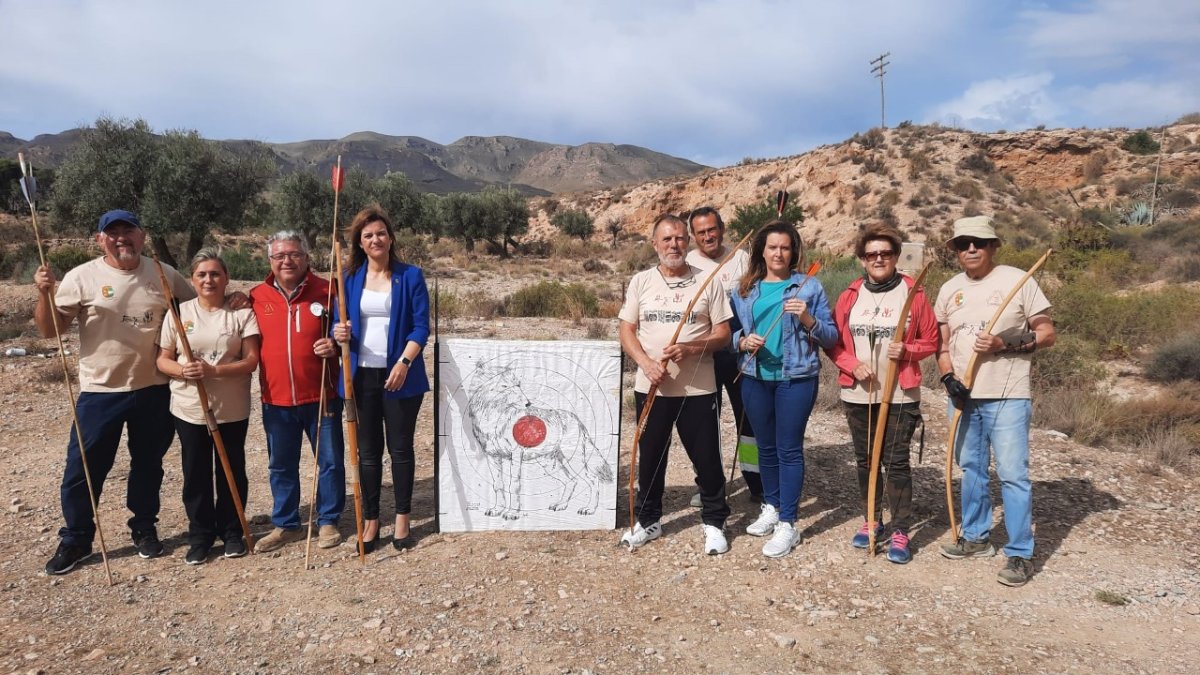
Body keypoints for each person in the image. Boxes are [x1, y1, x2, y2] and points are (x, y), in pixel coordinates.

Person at [34, 210, 195, 575]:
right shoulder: (82, 277)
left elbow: (192, 311)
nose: (121, 237)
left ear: (142, 236)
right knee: (83, 471)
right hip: (100, 391)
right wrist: (44, 294)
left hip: (154, 388)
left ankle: (144, 528)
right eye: (113, 232)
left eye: (129, 230)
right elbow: (49, 330)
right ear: (100, 239)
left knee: (148, 466)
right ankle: (76, 539)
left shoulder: (164, 274)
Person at [935, 215, 1055, 587]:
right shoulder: (948, 289)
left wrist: (1006, 345)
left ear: (993, 246)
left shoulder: (1017, 280)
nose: (971, 249)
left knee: (1012, 474)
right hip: (963, 396)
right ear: (955, 249)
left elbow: (1047, 333)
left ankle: (1020, 553)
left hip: (1007, 394)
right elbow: (942, 346)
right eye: (963, 243)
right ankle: (976, 538)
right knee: (971, 468)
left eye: (979, 242)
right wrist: (947, 377)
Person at [618, 214, 733, 554]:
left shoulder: (707, 281)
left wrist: (692, 347)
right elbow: (627, 329)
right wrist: (646, 363)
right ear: (655, 244)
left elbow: (723, 334)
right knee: (651, 456)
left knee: (707, 458)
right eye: (667, 239)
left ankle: (714, 521)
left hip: (698, 389)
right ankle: (648, 520)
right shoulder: (641, 282)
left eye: (681, 238)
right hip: (651, 386)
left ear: (689, 242)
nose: (674, 245)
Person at [826, 224, 937, 564]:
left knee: (896, 461)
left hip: (899, 393)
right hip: (860, 393)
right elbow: (836, 343)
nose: (878, 259)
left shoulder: (913, 292)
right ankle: (872, 519)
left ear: (895, 257)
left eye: (885, 253)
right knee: (865, 461)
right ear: (862, 259)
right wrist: (851, 365)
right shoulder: (850, 295)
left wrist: (907, 349)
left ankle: (901, 528)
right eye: (871, 254)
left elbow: (931, 340)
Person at [730, 221, 838, 558]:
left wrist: (808, 319)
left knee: (788, 449)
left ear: (794, 252)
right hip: (755, 377)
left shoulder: (808, 287)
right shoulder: (744, 289)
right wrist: (743, 341)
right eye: (772, 246)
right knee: (765, 447)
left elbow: (831, 336)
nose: (778, 253)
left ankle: (788, 524)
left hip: (796, 379)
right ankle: (772, 507)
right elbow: (731, 332)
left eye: (785, 247)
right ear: (761, 249)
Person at [332, 205, 430, 552]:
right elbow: (336, 323)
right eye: (368, 235)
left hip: (401, 376)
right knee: (368, 451)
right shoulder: (347, 279)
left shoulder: (411, 276)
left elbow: (421, 326)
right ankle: (372, 518)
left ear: (391, 238)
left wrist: (404, 362)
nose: (376, 239)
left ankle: (402, 517)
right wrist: (337, 331)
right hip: (360, 377)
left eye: (381, 233)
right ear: (360, 241)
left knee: (400, 449)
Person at [156, 251, 261, 564]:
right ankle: (200, 535)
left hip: (232, 407)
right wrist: (182, 370)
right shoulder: (178, 313)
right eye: (202, 274)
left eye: (215, 274)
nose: (208, 280)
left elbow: (251, 361)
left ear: (226, 278)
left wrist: (214, 371)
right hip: (189, 408)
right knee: (196, 472)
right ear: (193, 279)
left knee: (231, 470)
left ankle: (232, 531)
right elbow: (162, 359)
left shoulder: (241, 312)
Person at [250, 232, 346, 553]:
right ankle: (286, 524)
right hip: (276, 400)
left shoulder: (329, 291)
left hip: (322, 395)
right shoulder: (255, 296)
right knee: (281, 465)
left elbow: (349, 333)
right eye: (279, 256)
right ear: (270, 262)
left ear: (306, 258)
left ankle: (329, 519)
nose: (287, 261)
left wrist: (335, 345)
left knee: (330, 462)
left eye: (293, 254)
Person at [685, 207, 763, 504]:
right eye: (701, 232)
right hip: (703, 356)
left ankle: (756, 483)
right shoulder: (687, 263)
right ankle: (709, 484)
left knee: (749, 421)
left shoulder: (742, 258)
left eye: (712, 229)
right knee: (704, 424)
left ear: (722, 228)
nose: (708, 236)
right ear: (693, 236)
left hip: (739, 354)